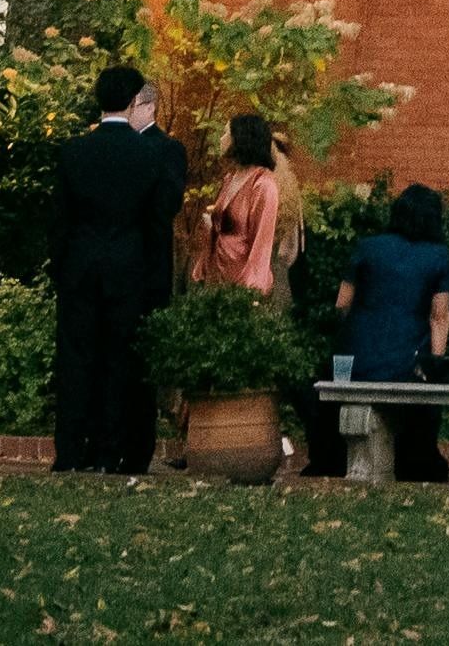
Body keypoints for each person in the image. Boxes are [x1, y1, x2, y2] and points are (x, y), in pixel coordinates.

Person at [48, 64, 188, 475]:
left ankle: (70, 451)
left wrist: (61, 267)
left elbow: (59, 219)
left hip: (79, 270)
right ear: (132, 102)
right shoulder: (152, 153)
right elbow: (161, 216)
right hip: (129, 271)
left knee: (74, 360)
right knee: (117, 361)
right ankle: (110, 451)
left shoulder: (73, 151)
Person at [335, 181, 449, 483]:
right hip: (407, 363)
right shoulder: (439, 256)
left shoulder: (367, 247)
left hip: (359, 361)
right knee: (421, 418)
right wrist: (434, 365)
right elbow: (438, 316)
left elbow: (341, 303)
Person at [197, 114, 301, 297]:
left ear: (240, 138)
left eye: (225, 133)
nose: (221, 139)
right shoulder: (230, 178)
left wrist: (251, 291)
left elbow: (261, 243)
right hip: (218, 277)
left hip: (241, 284)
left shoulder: (263, 185)